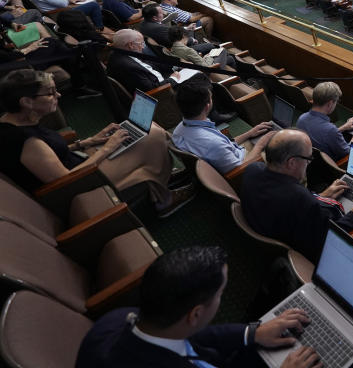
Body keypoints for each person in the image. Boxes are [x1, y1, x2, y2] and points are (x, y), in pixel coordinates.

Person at [75, 245, 320, 368]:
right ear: (195, 314)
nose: (221, 299)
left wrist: (252, 332)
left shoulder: (119, 319)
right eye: (220, 294)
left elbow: (193, 336)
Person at [0, 69, 177, 213]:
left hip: (79, 160)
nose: (59, 95)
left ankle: (160, 182)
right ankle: (164, 199)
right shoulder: (25, 141)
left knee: (147, 130)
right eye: (50, 93)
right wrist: (107, 148)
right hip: (80, 186)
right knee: (152, 136)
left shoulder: (12, 121)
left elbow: (50, 154)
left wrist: (89, 141)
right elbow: (66, 181)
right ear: (27, 102)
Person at [240, 129, 353, 263]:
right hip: (303, 258)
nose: (309, 163)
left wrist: (323, 196)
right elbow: (328, 240)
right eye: (308, 159)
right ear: (291, 163)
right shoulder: (301, 200)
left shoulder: (252, 170)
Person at [172, 77, 275, 174]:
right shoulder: (213, 143)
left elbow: (225, 145)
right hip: (243, 170)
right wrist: (260, 145)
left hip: (230, 158)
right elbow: (240, 169)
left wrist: (249, 133)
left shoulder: (179, 130)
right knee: (281, 148)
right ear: (207, 106)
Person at [296, 81, 353, 160]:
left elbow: (322, 135)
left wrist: (343, 127)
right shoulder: (330, 130)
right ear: (330, 104)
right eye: (336, 102)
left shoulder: (301, 119)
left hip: (314, 159)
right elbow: (348, 152)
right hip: (336, 164)